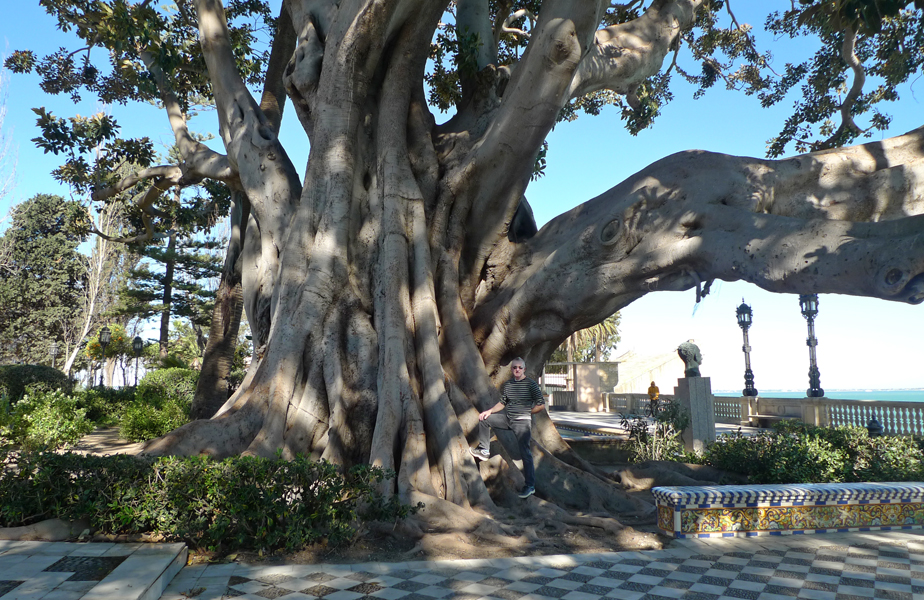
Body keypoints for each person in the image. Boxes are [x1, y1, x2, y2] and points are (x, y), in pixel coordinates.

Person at [470, 357, 545, 498]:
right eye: (514, 367)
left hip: (522, 423)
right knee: (485, 420)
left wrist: (527, 412)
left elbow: (541, 405)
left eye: (520, 368)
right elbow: (503, 403)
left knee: (525, 454)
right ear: (511, 369)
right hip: (508, 419)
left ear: (524, 369)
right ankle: (484, 450)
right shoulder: (509, 384)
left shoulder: (531, 384)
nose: (517, 370)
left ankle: (530, 486)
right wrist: (489, 411)